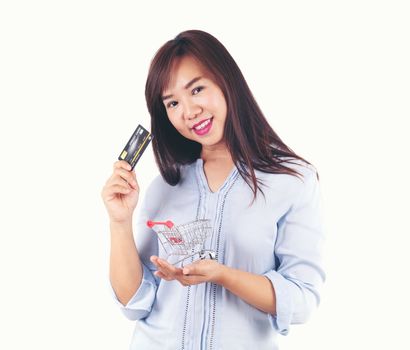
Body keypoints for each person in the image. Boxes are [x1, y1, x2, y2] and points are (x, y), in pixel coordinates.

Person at [101, 29, 325, 350]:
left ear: (226, 81)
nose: (189, 111)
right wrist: (119, 222)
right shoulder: (164, 186)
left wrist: (224, 275)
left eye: (197, 89)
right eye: (173, 102)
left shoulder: (292, 181)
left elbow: (302, 300)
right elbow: (135, 303)